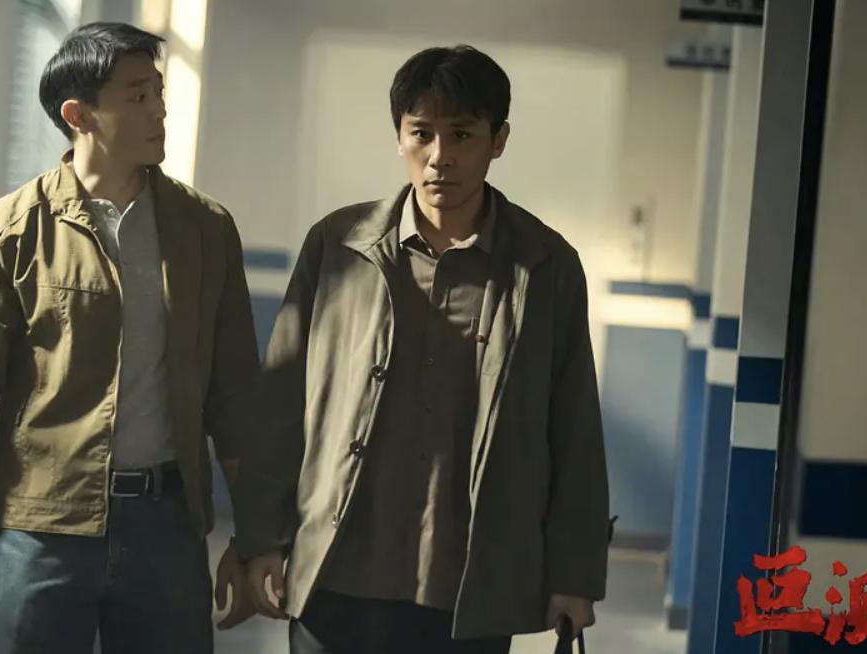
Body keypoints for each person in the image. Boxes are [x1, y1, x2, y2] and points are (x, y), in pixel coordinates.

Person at [237, 44, 610, 654]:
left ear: (498, 140)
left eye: (462, 134)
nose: (440, 157)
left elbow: (574, 431)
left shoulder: (545, 266)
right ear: (399, 137)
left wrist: (574, 576)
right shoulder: (339, 246)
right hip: (336, 571)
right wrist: (260, 539)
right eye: (422, 134)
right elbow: (280, 406)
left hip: (467, 588)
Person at [0, 22, 258, 653]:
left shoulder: (205, 230)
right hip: (45, 527)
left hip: (168, 526)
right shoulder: (7, 232)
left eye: (158, 91)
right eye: (137, 96)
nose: (159, 110)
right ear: (79, 116)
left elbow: (234, 399)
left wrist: (254, 537)